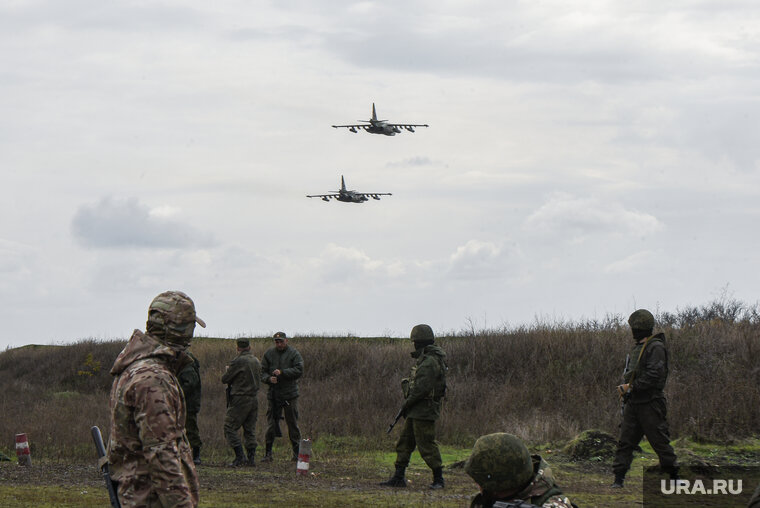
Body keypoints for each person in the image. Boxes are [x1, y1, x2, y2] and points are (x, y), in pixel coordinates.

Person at [108, 290, 204, 508]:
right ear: (183, 331)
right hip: (152, 500)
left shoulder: (135, 368)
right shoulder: (153, 379)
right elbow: (161, 455)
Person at [611, 309, 678, 488]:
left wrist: (632, 388)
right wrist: (629, 390)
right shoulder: (639, 348)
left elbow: (654, 375)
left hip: (650, 403)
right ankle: (618, 479)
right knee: (625, 442)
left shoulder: (655, 347)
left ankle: (674, 477)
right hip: (634, 403)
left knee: (660, 442)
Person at [380, 324, 447, 490]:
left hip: (424, 410)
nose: (414, 345)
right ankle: (398, 477)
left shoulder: (430, 361)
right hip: (416, 409)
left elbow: (420, 389)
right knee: (405, 442)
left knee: (426, 444)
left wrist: (406, 403)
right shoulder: (426, 359)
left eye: (415, 342)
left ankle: (439, 479)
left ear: (420, 342)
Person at [465, 433, 575, 508]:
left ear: (498, 486)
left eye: (479, 480)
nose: (476, 484)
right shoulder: (491, 499)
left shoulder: (552, 505)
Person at [260, 331, 304, 462]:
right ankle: (268, 454)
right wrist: (268, 379)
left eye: (281, 341)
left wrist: (283, 373)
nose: (279, 344)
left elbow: (299, 370)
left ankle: (296, 454)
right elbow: (261, 372)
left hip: (290, 395)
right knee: (271, 424)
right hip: (274, 394)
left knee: (292, 424)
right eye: (276, 342)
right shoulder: (269, 354)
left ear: (286, 341)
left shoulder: (294, 354)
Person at [222, 338, 262, 466]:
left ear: (238, 348)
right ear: (249, 347)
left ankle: (240, 457)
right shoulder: (256, 361)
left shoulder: (238, 361)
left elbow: (225, 379)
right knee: (249, 429)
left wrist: (228, 370)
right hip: (253, 398)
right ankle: (251, 459)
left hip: (240, 398)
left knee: (229, 427)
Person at [178, 351, 202, 465]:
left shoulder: (187, 363)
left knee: (191, 429)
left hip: (189, 403)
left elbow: (190, 383)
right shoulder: (184, 361)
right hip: (184, 402)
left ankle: (196, 455)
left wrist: (177, 393)